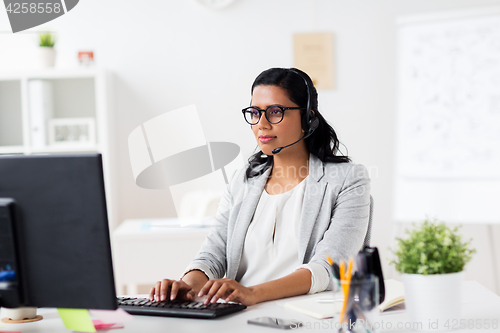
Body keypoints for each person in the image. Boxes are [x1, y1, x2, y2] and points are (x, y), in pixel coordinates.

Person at [149, 68, 370, 306]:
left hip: (304, 318)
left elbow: (329, 267)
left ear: (308, 118)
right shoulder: (242, 181)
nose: (261, 124)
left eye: (275, 112)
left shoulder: (348, 179)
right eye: (255, 112)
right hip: (240, 316)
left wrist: (253, 293)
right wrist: (188, 285)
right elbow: (213, 253)